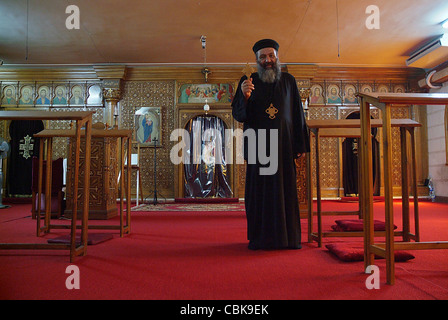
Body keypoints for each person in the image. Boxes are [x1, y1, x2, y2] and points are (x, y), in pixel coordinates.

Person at [232, 39, 310, 250]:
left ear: (277, 57)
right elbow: (239, 114)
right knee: (261, 193)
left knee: (285, 192)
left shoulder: (289, 80)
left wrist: (300, 144)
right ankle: (261, 239)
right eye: (263, 57)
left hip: (283, 147)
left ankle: (288, 239)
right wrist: (245, 96)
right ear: (257, 60)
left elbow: (297, 114)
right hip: (259, 149)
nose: (268, 60)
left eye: (271, 56)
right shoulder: (248, 80)